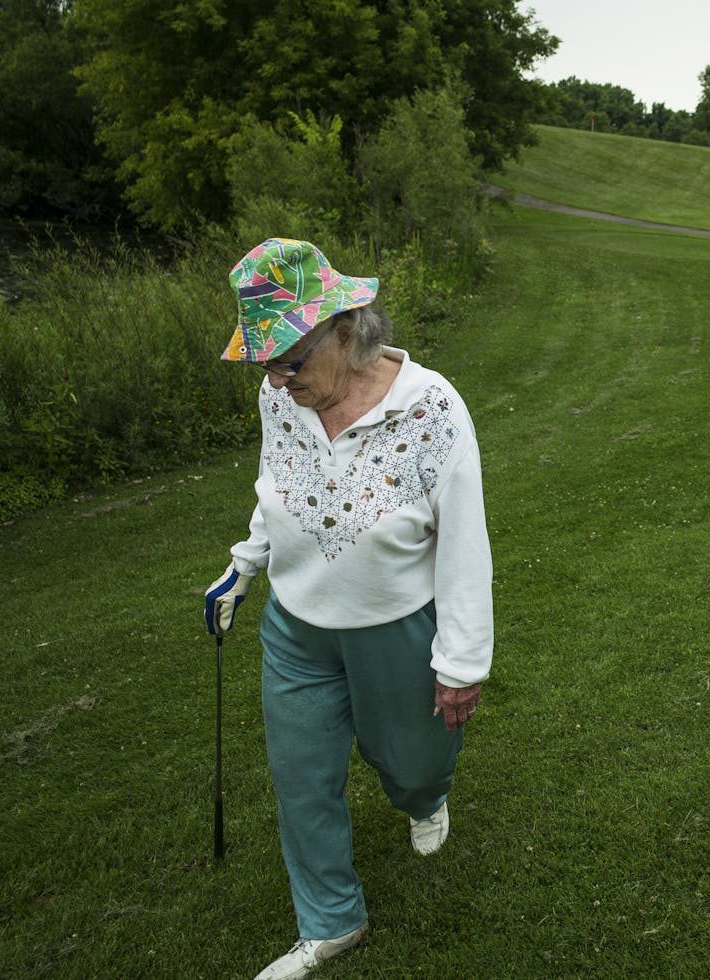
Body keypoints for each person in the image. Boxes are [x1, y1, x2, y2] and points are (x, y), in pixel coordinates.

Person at [204, 237, 493, 980]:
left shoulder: (431, 408)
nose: (274, 379)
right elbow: (281, 485)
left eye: (289, 361)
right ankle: (331, 922)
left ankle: (425, 798)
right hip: (295, 627)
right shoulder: (284, 395)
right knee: (301, 775)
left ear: (345, 329)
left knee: (414, 764)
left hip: (394, 628)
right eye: (263, 362)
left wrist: (461, 661)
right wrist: (244, 564)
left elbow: (464, 542)